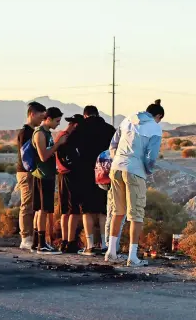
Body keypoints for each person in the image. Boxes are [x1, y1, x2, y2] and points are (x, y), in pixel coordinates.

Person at [105, 99, 164, 266]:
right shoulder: (155, 128)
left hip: (116, 168)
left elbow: (113, 143)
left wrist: (116, 159)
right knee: (136, 214)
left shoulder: (128, 119)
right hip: (135, 170)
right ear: (158, 116)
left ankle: (111, 251)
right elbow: (151, 157)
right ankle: (132, 256)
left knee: (118, 211)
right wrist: (147, 170)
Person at [76, 106, 116, 256]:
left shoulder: (80, 128)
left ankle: (90, 245)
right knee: (103, 209)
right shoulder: (109, 129)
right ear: (98, 114)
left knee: (87, 210)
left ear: (85, 115)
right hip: (105, 173)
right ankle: (105, 244)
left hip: (85, 173)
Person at [30, 107, 65, 254]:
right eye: (57, 121)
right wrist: (58, 144)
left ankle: (36, 242)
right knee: (43, 210)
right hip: (42, 176)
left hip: (47, 174)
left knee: (40, 210)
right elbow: (43, 156)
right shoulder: (40, 134)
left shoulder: (46, 133)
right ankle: (41, 244)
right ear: (49, 119)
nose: (58, 124)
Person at [16, 101, 47, 250]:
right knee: (27, 205)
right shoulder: (26, 133)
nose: (42, 119)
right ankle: (25, 238)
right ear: (32, 114)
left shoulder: (34, 131)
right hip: (26, 172)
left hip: (32, 172)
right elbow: (26, 155)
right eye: (41, 116)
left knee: (33, 205)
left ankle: (32, 238)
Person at [55, 114, 85, 253]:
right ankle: (71, 242)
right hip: (71, 175)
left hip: (62, 175)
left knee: (64, 210)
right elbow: (70, 159)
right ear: (76, 125)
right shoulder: (68, 139)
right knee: (73, 210)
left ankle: (64, 241)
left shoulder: (61, 135)